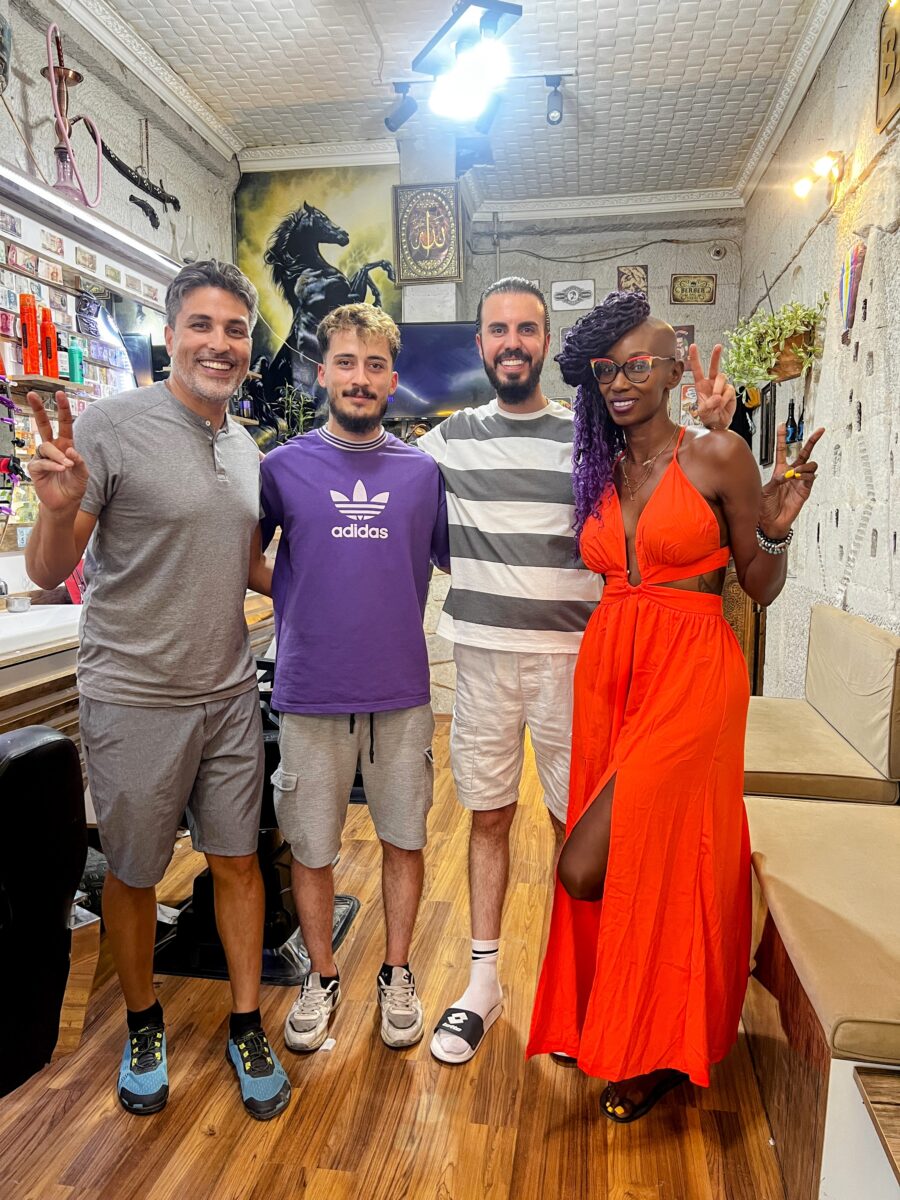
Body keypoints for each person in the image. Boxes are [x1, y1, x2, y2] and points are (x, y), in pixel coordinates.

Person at [418, 278, 737, 1065]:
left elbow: (673, 491)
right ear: (481, 343)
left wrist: (719, 427)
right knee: (487, 818)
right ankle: (484, 986)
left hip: (577, 662)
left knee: (581, 835)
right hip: (484, 657)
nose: (512, 341)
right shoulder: (446, 441)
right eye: (498, 329)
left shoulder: (589, 439)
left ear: (547, 337)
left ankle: (589, 992)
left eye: (528, 327)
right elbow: (401, 516)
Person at [525, 290, 822, 1121]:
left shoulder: (717, 454)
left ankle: (666, 1031)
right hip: (611, 674)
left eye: (639, 364)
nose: (621, 380)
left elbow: (757, 587)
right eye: (606, 369)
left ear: (669, 369)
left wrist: (778, 528)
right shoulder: (598, 464)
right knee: (647, 864)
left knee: (588, 864)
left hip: (692, 673)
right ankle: (643, 1034)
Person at [24, 260, 291, 1121]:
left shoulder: (244, 443)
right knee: (135, 871)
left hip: (224, 691)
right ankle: (145, 1023)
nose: (220, 344)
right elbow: (46, 571)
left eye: (236, 329)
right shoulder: (110, 426)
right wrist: (58, 508)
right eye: (203, 326)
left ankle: (245, 1021)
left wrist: (340, 572)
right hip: (134, 693)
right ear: (169, 335)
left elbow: (250, 564)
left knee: (239, 862)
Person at [249, 303, 449, 1054]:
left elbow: (445, 560)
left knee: (404, 838)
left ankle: (396, 973)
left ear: (392, 380)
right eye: (345, 363)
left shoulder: (423, 473)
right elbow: (249, 556)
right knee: (311, 846)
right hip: (309, 690)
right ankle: (322, 977)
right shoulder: (281, 467)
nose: (359, 379)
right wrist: (302, 595)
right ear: (321, 371)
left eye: (373, 367)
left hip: (400, 691)